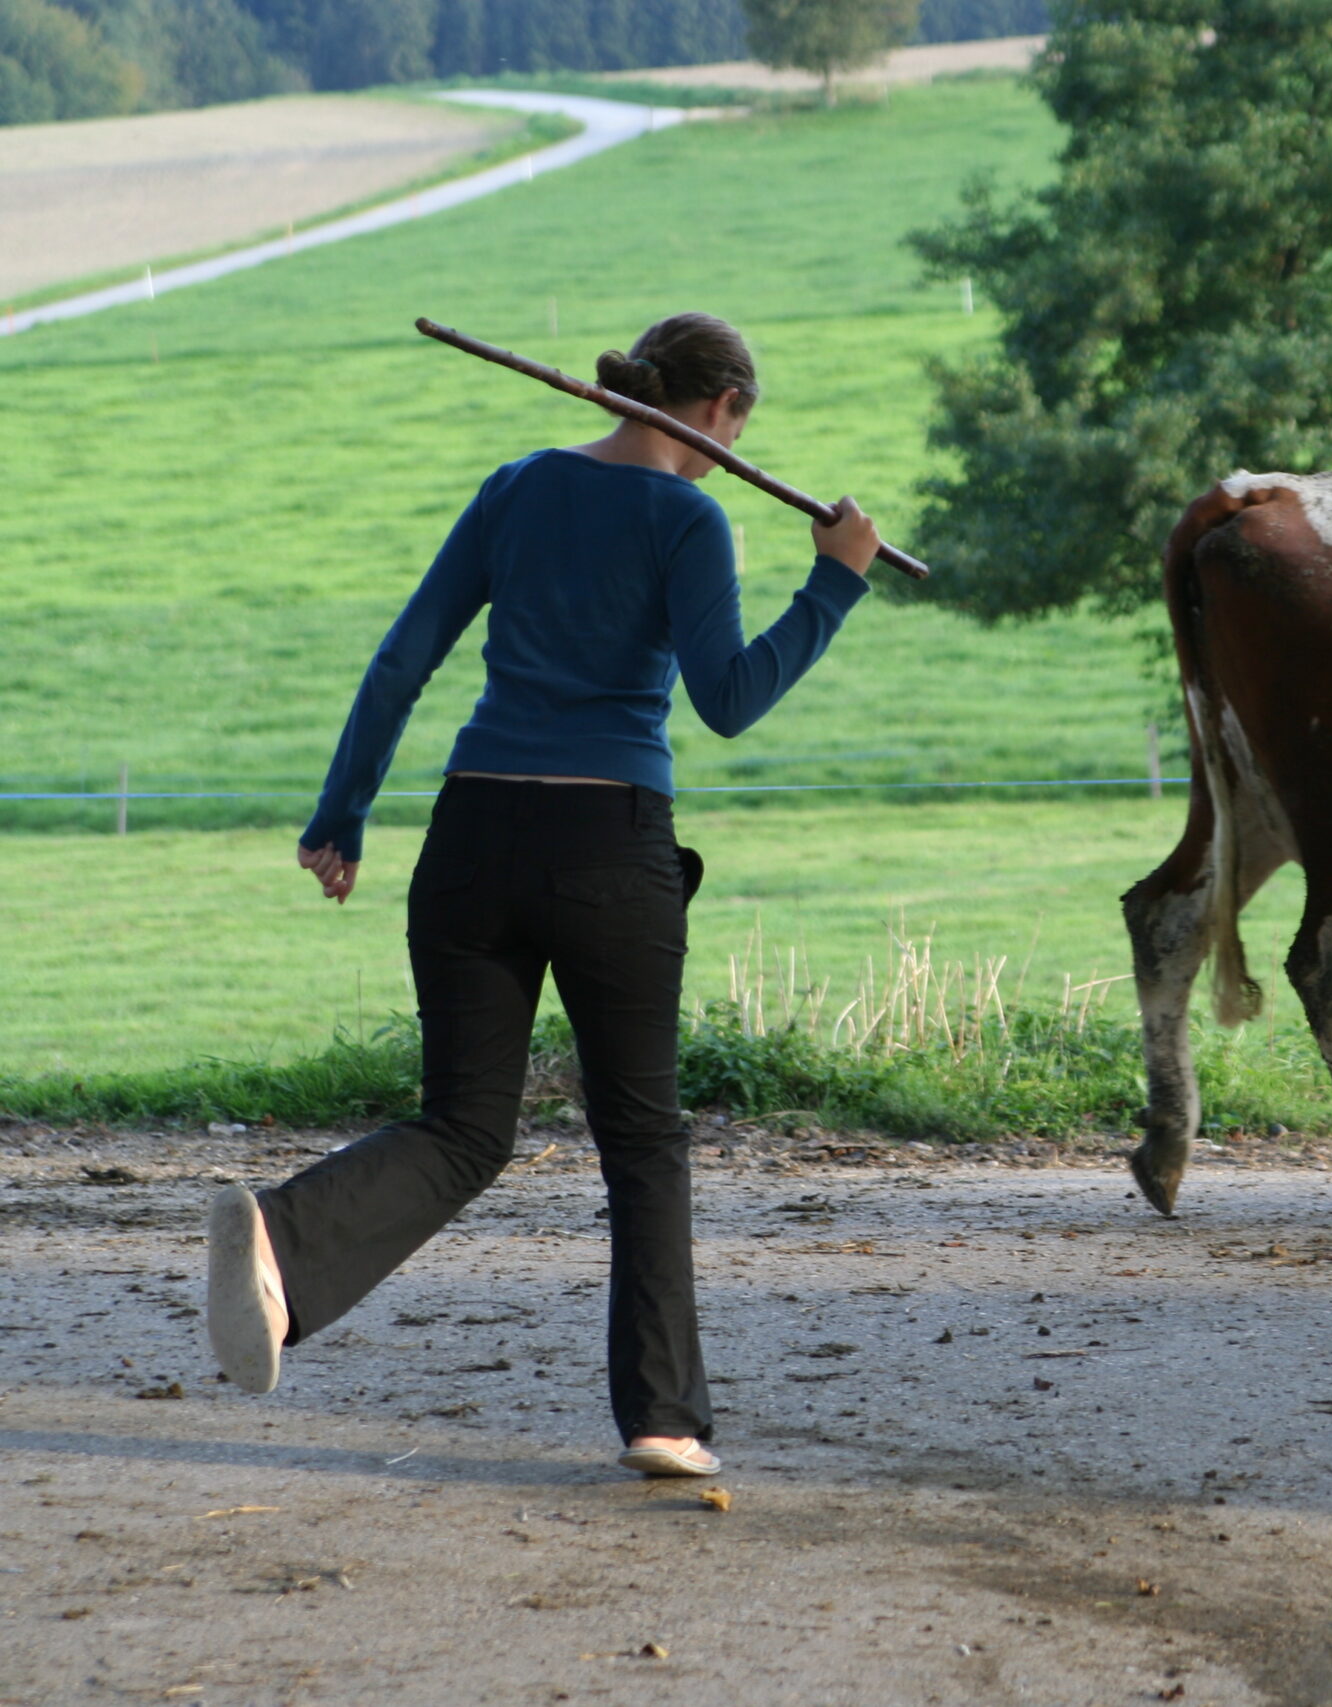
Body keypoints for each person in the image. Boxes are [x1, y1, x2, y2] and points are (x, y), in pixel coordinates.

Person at [205, 312, 879, 1477]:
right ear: (724, 411)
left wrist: (342, 812)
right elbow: (727, 698)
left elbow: (403, 658)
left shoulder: (515, 488)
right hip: (608, 844)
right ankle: (663, 1421)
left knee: (463, 1127)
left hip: (471, 835)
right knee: (642, 1137)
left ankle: (283, 1235)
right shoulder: (687, 516)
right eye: (736, 426)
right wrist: (833, 586)